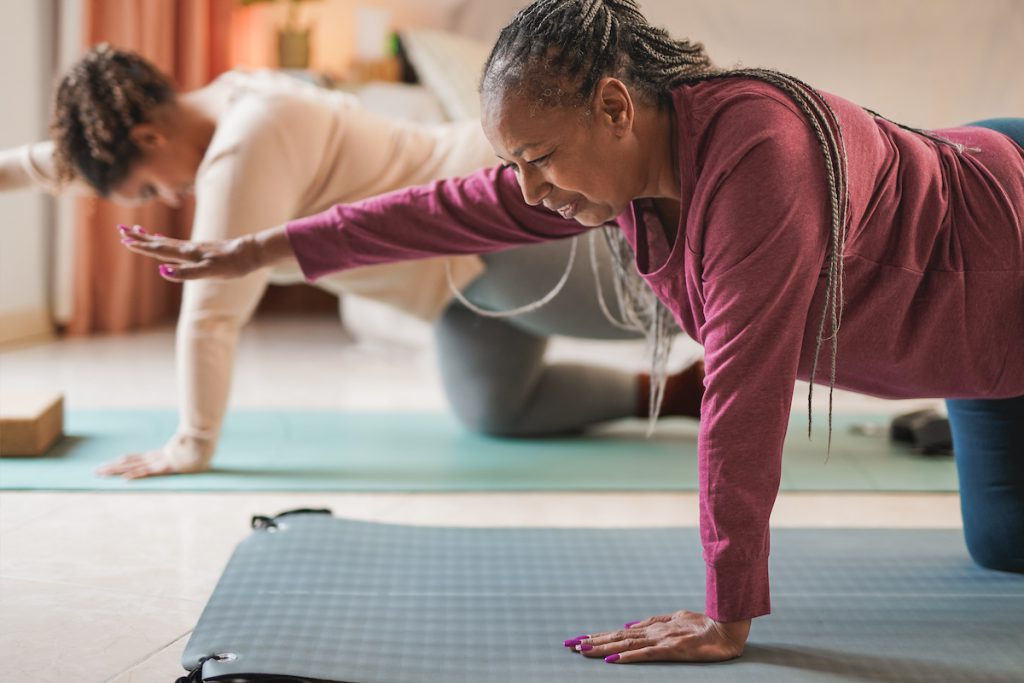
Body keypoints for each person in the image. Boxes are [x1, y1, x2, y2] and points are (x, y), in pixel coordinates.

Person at [119, 0, 1024, 666]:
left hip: (1001, 243)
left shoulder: (760, 162)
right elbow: (448, 207)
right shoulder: (629, 172)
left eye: (539, 159)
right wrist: (260, 249)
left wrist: (728, 611)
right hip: (959, 294)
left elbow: (743, 398)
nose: (530, 187)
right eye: (517, 162)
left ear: (617, 107)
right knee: (1005, 548)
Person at [1, 44, 705, 480]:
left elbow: (211, 313)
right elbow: (64, 162)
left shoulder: (246, 141)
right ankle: (673, 393)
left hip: (493, 231)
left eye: (150, 186)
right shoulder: (223, 98)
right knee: (498, 407)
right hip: (453, 294)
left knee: (675, 305)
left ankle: (742, 317)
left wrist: (191, 445)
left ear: (149, 135)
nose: (167, 198)